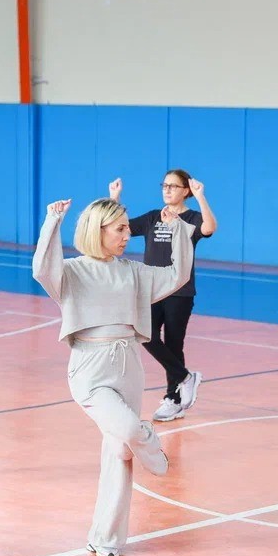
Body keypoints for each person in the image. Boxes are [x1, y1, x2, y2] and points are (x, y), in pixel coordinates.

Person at [32, 196, 192, 556]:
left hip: (128, 365)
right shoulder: (71, 272)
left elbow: (177, 275)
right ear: (97, 229)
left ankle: (106, 540)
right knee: (131, 430)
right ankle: (149, 439)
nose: (127, 235)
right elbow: (42, 269)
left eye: (127, 229)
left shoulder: (133, 271)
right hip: (90, 369)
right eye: (119, 229)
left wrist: (180, 230)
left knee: (119, 452)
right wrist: (51, 223)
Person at [109, 169, 217, 422]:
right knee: (142, 332)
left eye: (173, 186)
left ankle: (173, 399)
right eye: (164, 185)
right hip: (151, 289)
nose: (167, 190)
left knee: (173, 344)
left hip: (180, 292)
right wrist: (114, 198)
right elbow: (118, 225)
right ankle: (185, 377)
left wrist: (201, 196)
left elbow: (210, 228)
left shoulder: (191, 218)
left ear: (185, 191)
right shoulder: (152, 218)